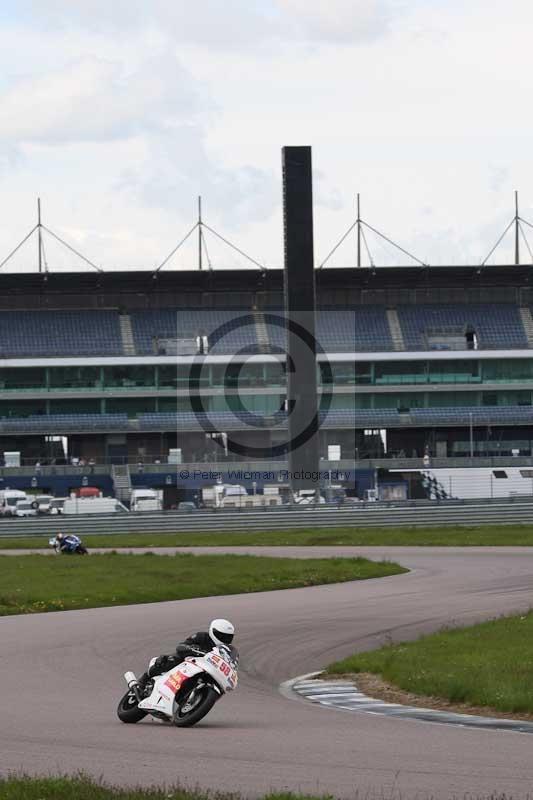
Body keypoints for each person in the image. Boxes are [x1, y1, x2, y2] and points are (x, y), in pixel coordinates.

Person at [137, 619, 237, 689]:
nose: (225, 639)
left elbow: (232, 663)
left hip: (207, 670)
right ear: (213, 631)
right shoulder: (201, 636)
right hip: (186, 661)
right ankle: (142, 681)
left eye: (228, 637)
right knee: (166, 660)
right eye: (222, 636)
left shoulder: (227, 650)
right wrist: (194, 650)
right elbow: (181, 646)